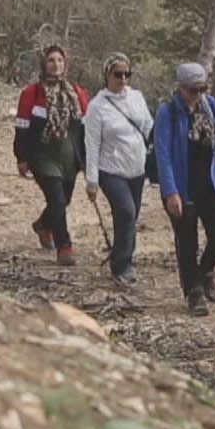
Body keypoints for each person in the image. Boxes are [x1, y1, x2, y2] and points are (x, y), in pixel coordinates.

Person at [154, 63, 215, 315]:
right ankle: (193, 291)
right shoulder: (168, 112)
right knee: (187, 241)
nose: (197, 94)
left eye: (201, 89)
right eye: (192, 90)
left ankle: (206, 271)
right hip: (182, 187)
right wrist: (171, 192)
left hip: (211, 183)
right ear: (180, 88)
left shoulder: (211, 107)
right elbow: (163, 155)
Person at [13, 46, 91, 266]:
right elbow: (22, 128)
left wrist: (87, 160)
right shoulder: (31, 94)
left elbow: (87, 127)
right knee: (56, 199)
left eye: (59, 60)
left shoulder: (78, 93)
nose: (55, 65)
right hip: (43, 156)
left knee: (63, 200)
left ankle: (43, 225)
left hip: (69, 158)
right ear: (43, 64)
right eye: (51, 60)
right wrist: (21, 157)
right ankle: (64, 247)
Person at [83, 52, 153, 285]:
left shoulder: (137, 98)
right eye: (118, 75)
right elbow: (91, 144)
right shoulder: (97, 106)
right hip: (110, 170)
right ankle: (120, 265)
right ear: (107, 75)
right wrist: (91, 180)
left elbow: (148, 126)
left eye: (127, 74)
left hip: (136, 167)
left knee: (131, 216)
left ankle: (127, 257)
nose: (123, 79)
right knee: (125, 211)